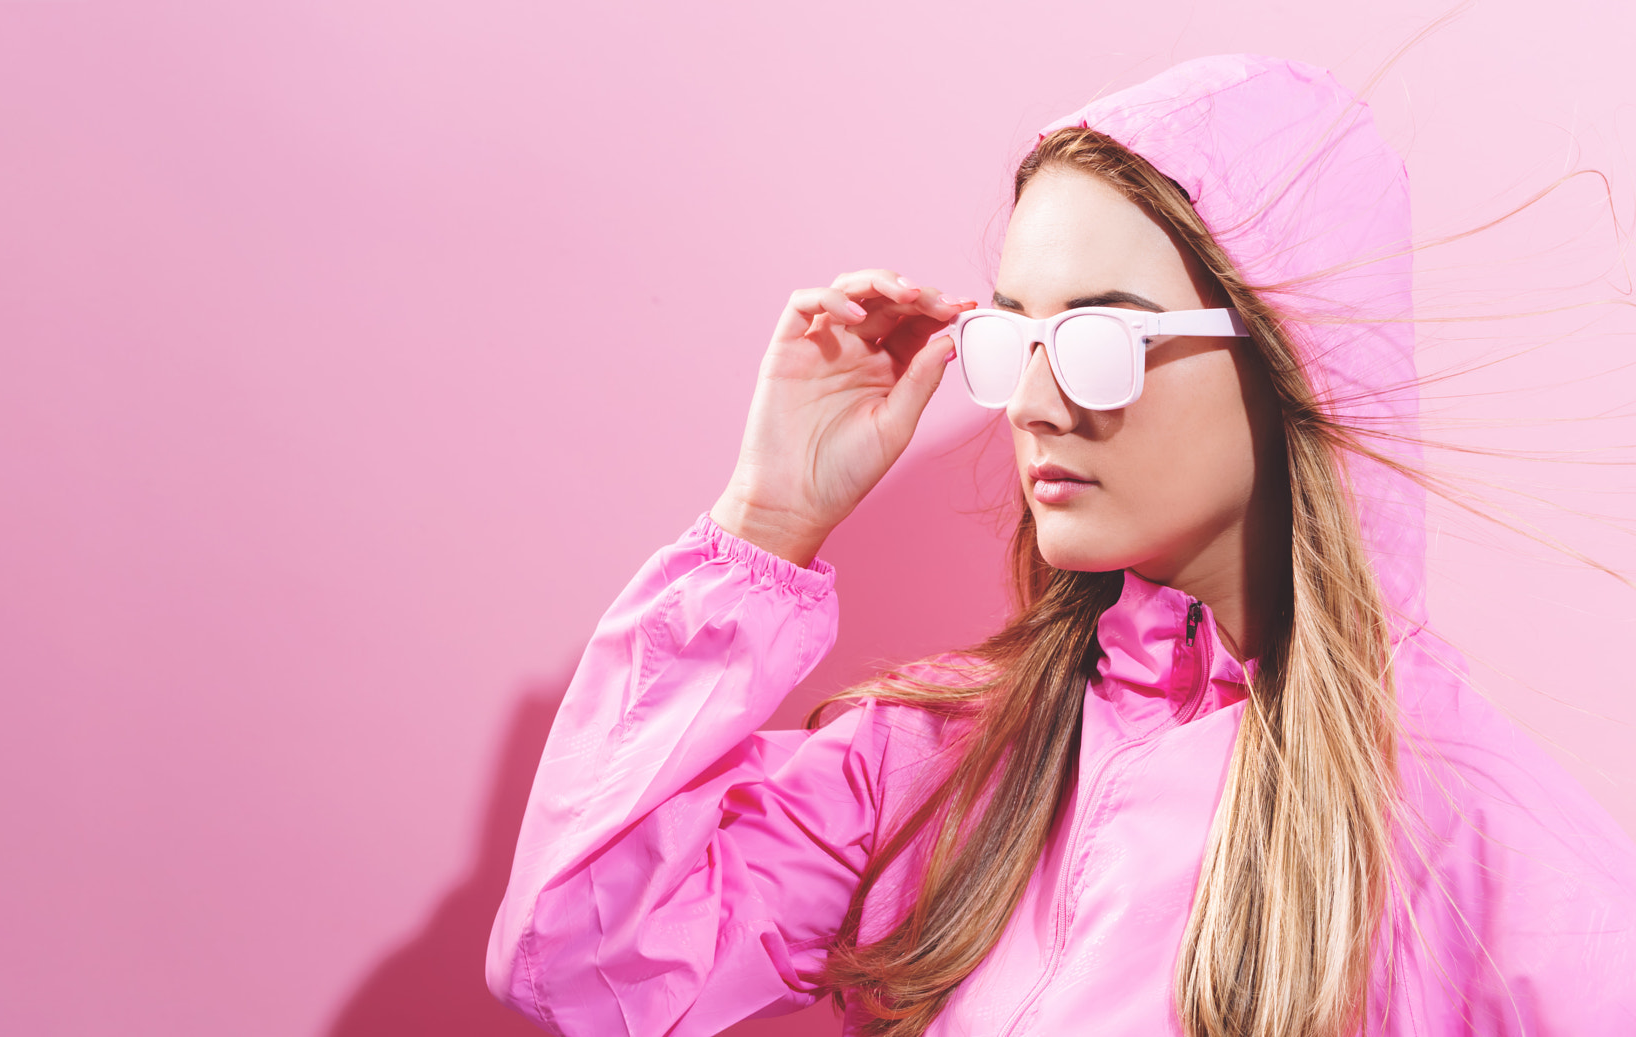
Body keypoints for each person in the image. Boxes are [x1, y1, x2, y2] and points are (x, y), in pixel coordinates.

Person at [484, 54, 1636, 1037]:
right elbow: (582, 960)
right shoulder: (949, 761)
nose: (1029, 402)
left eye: (1095, 336)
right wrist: (769, 516)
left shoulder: (1473, 841)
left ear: (1289, 358)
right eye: (1010, 335)